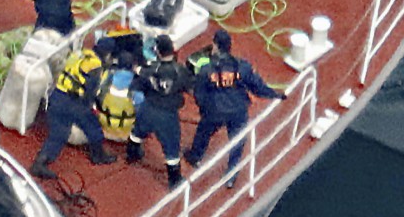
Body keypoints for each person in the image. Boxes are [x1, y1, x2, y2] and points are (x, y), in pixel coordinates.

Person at [184, 29, 285, 189]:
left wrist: (205, 109)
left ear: (215, 46)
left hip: (214, 111)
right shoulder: (242, 67)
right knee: (237, 141)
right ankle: (231, 174)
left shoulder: (205, 71)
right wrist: (276, 95)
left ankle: (195, 156)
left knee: (204, 131)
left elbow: (199, 94)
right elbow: (257, 86)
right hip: (238, 109)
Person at [31, 47, 116, 178]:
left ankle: (40, 163)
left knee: (59, 134)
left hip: (57, 95)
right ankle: (98, 155)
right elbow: (90, 94)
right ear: (107, 55)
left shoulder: (81, 55)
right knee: (93, 126)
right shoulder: (94, 68)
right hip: (73, 102)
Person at [126, 35, 194, 189]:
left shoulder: (150, 69)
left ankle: (132, 154)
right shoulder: (181, 71)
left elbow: (138, 81)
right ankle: (174, 180)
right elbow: (191, 88)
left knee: (137, 131)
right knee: (171, 147)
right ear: (173, 50)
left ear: (157, 51)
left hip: (148, 108)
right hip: (167, 115)